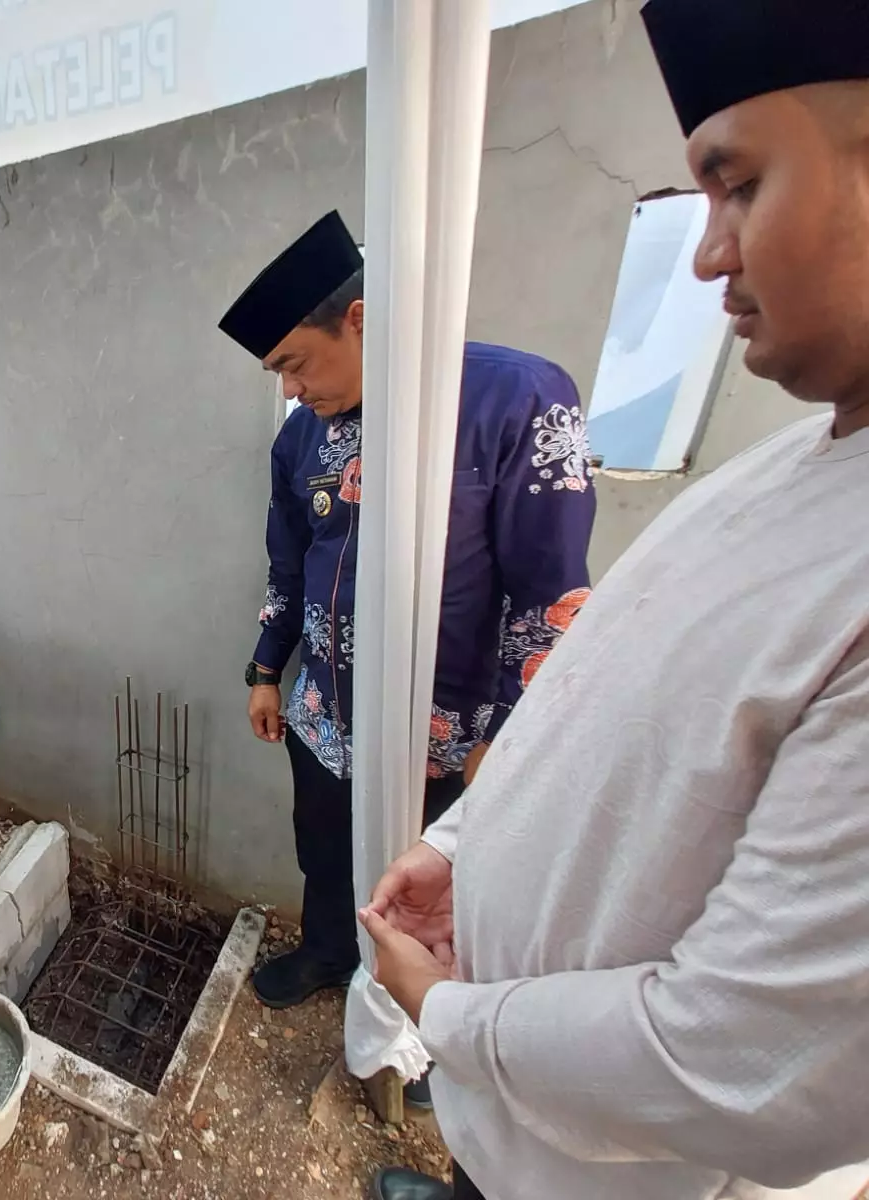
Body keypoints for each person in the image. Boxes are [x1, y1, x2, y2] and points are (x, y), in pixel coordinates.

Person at [361, 3, 869, 1197]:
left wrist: (452, 1015)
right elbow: (594, 701)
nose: (705, 254)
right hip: (507, 1100)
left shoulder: (516, 403)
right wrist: (459, 848)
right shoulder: (789, 468)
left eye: (737, 185)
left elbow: (741, 1063)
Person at [218, 210, 597, 1019]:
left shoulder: (514, 400)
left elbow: (551, 594)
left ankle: (430, 1021)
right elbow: (288, 566)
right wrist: (264, 669)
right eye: (277, 374)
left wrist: (509, 734)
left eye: (294, 363)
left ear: (358, 319)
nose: (290, 388)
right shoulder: (300, 443)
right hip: (326, 716)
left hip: (453, 730)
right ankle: (327, 951)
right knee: (324, 850)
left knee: (438, 891)